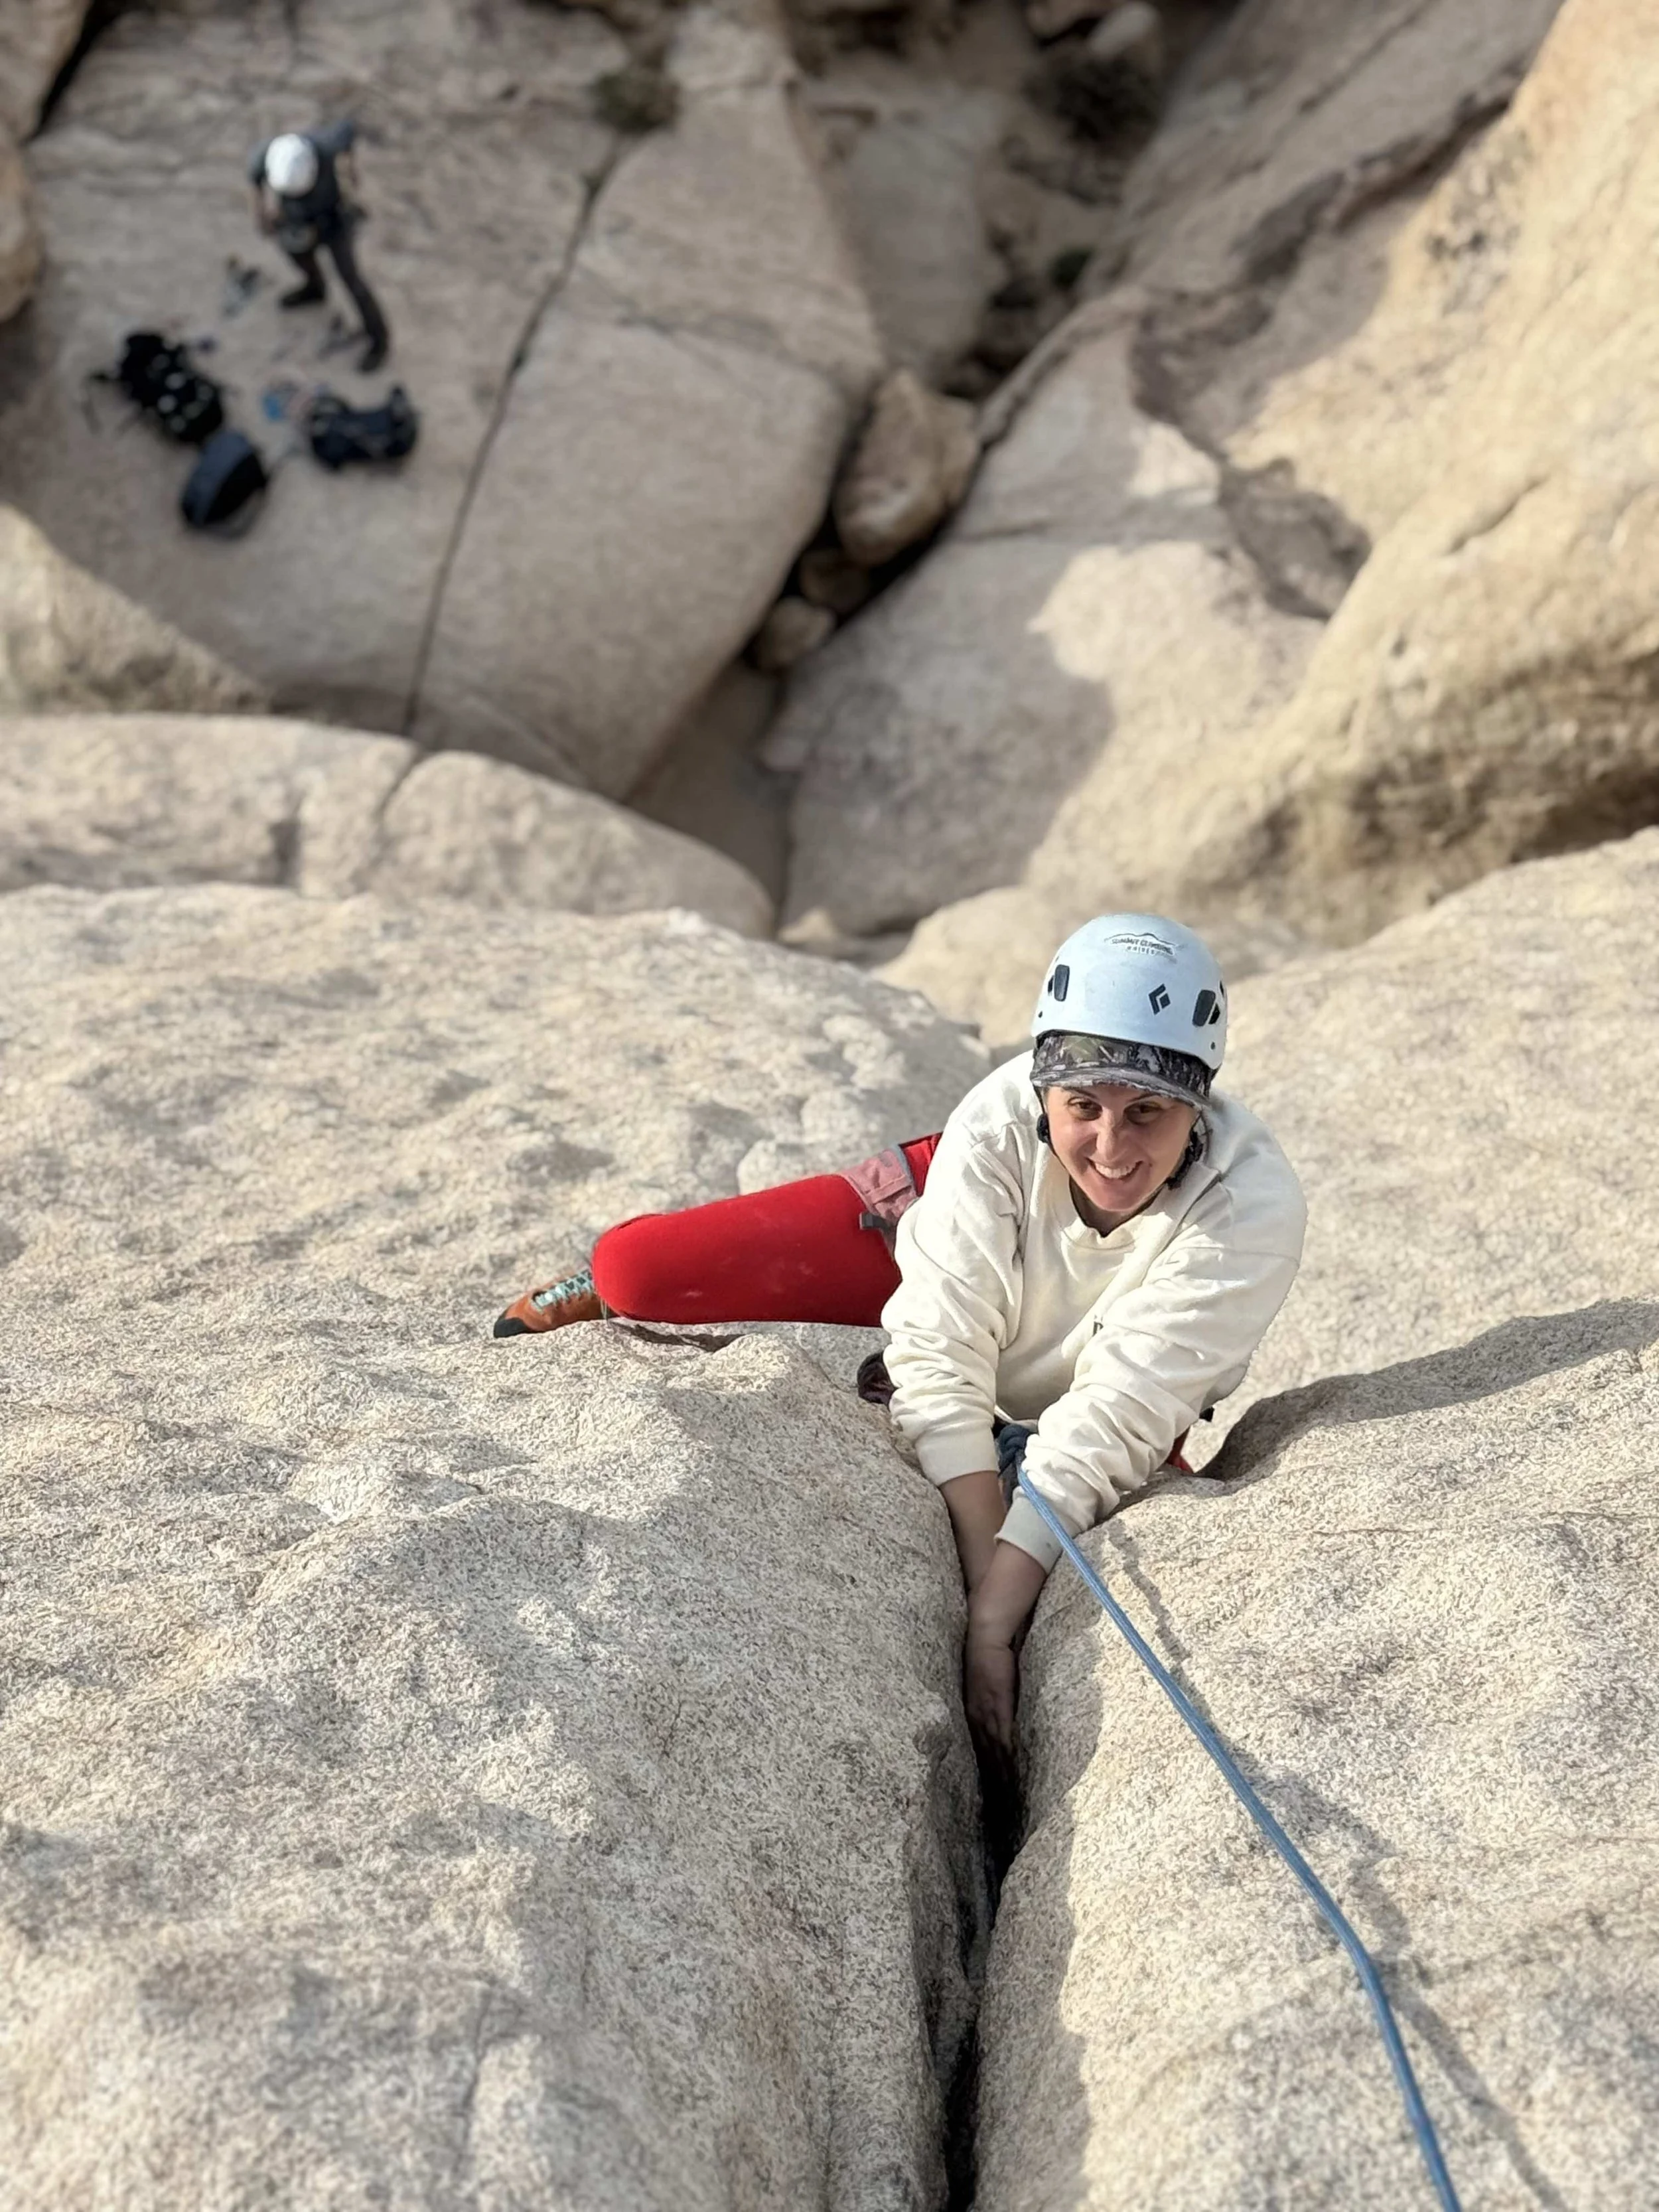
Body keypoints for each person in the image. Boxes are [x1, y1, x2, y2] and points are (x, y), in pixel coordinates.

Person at [492, 914, 1306, 1764]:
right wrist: (980, 1548)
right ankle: (609, 1284)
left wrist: (997, 1611)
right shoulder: (995, 1125)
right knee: (638, 1273)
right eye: (1081, 1107)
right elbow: (942, 1345)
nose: (1110, 1146)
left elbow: (1121, 1408)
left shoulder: (1248, 1207)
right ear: (1042, 1094)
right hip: (941, 1247)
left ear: (1196, 1103)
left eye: (1146, 1112)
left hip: (1093, 1359)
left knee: (1087, 1466)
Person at [248, 124, 390, 373]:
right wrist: (261, 214)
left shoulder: (326, 143)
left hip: (333, 220)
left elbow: (349, 132)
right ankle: (315, 289)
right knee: (296, 253)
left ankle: (379, 340)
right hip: (296, 220)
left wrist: (350, 172)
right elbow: (254, 181)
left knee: (351, 279)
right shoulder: (265, 155)